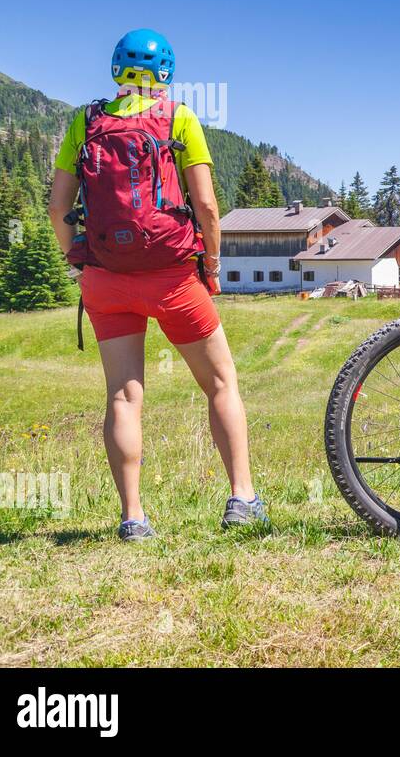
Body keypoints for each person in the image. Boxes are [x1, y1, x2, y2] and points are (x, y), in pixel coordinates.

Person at [47, 29, 266, 541]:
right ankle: (242, 499)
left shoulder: (86, 120)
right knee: (220, 383)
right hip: (171, 275)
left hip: (105, 278)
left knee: (124, 397)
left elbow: (59, 209)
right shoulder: (179, 117)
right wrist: (210, 265)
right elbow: (207, 207)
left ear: (115, 70)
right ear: (166, 73)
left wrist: (78, 260)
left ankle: (133, 518)